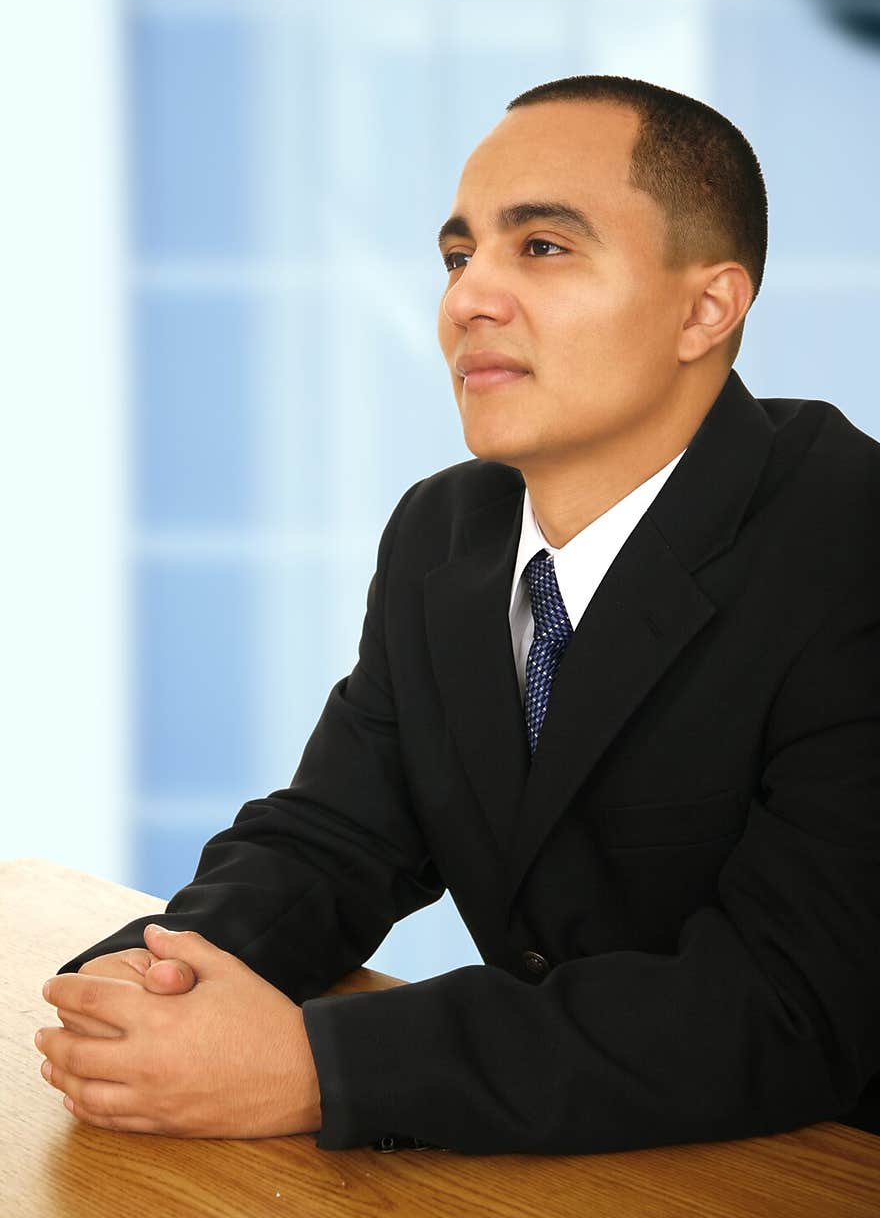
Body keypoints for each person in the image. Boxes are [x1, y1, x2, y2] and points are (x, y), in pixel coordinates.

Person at [36, 75, 880, 1152]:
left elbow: (787, 1004)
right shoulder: (447, 530)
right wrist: (157, 970)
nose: (466, 298)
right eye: (457, 255)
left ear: (705, 308)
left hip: (812, 1183)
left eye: (540, 248)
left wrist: (316, 1072)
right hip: (562, 1174)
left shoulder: (847, 537)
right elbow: (337, 836)